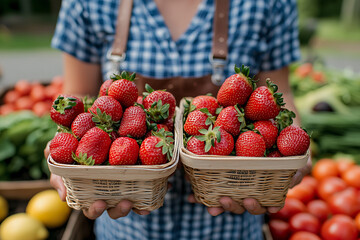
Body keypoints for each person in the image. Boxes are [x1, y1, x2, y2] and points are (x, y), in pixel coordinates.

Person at [48, 0, 312, 239]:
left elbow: (278, 92)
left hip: (230, 223)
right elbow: (79, 99)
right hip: (126, 227)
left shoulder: (268, 4)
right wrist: (69, 164)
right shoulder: (87, 3)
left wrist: (291, 154)